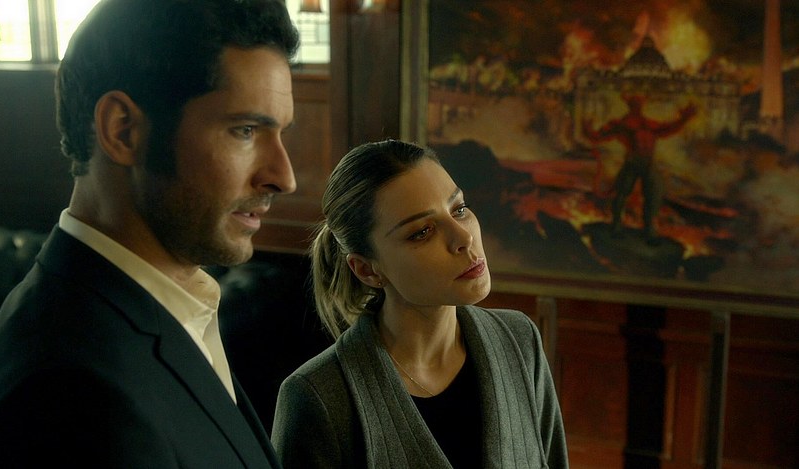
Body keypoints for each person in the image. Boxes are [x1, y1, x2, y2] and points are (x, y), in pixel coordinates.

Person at [0, 0, 298, 467]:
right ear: (123, 131)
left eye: (280, 133)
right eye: (244, 130)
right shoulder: (68, 396)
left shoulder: (163, 310)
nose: (284, 177)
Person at [271, 139, 568, 468]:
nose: (464, 238)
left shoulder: (519, 339)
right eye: (423, 231)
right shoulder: (317, 396)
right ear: (368, 270)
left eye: (459, 209)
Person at [583, 95, 696, 241]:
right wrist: (588, 129)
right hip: (632, 162)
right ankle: (616, 225)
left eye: (639, 101)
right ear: (629, 104)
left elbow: (668, 129)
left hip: (648, 164)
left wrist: (684, 118)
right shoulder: (620, 124)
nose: (638, 103)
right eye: (634, 101)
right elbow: (597, 136)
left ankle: (649, 229)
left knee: (654, 193)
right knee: (622, 193)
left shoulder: (649, 124)